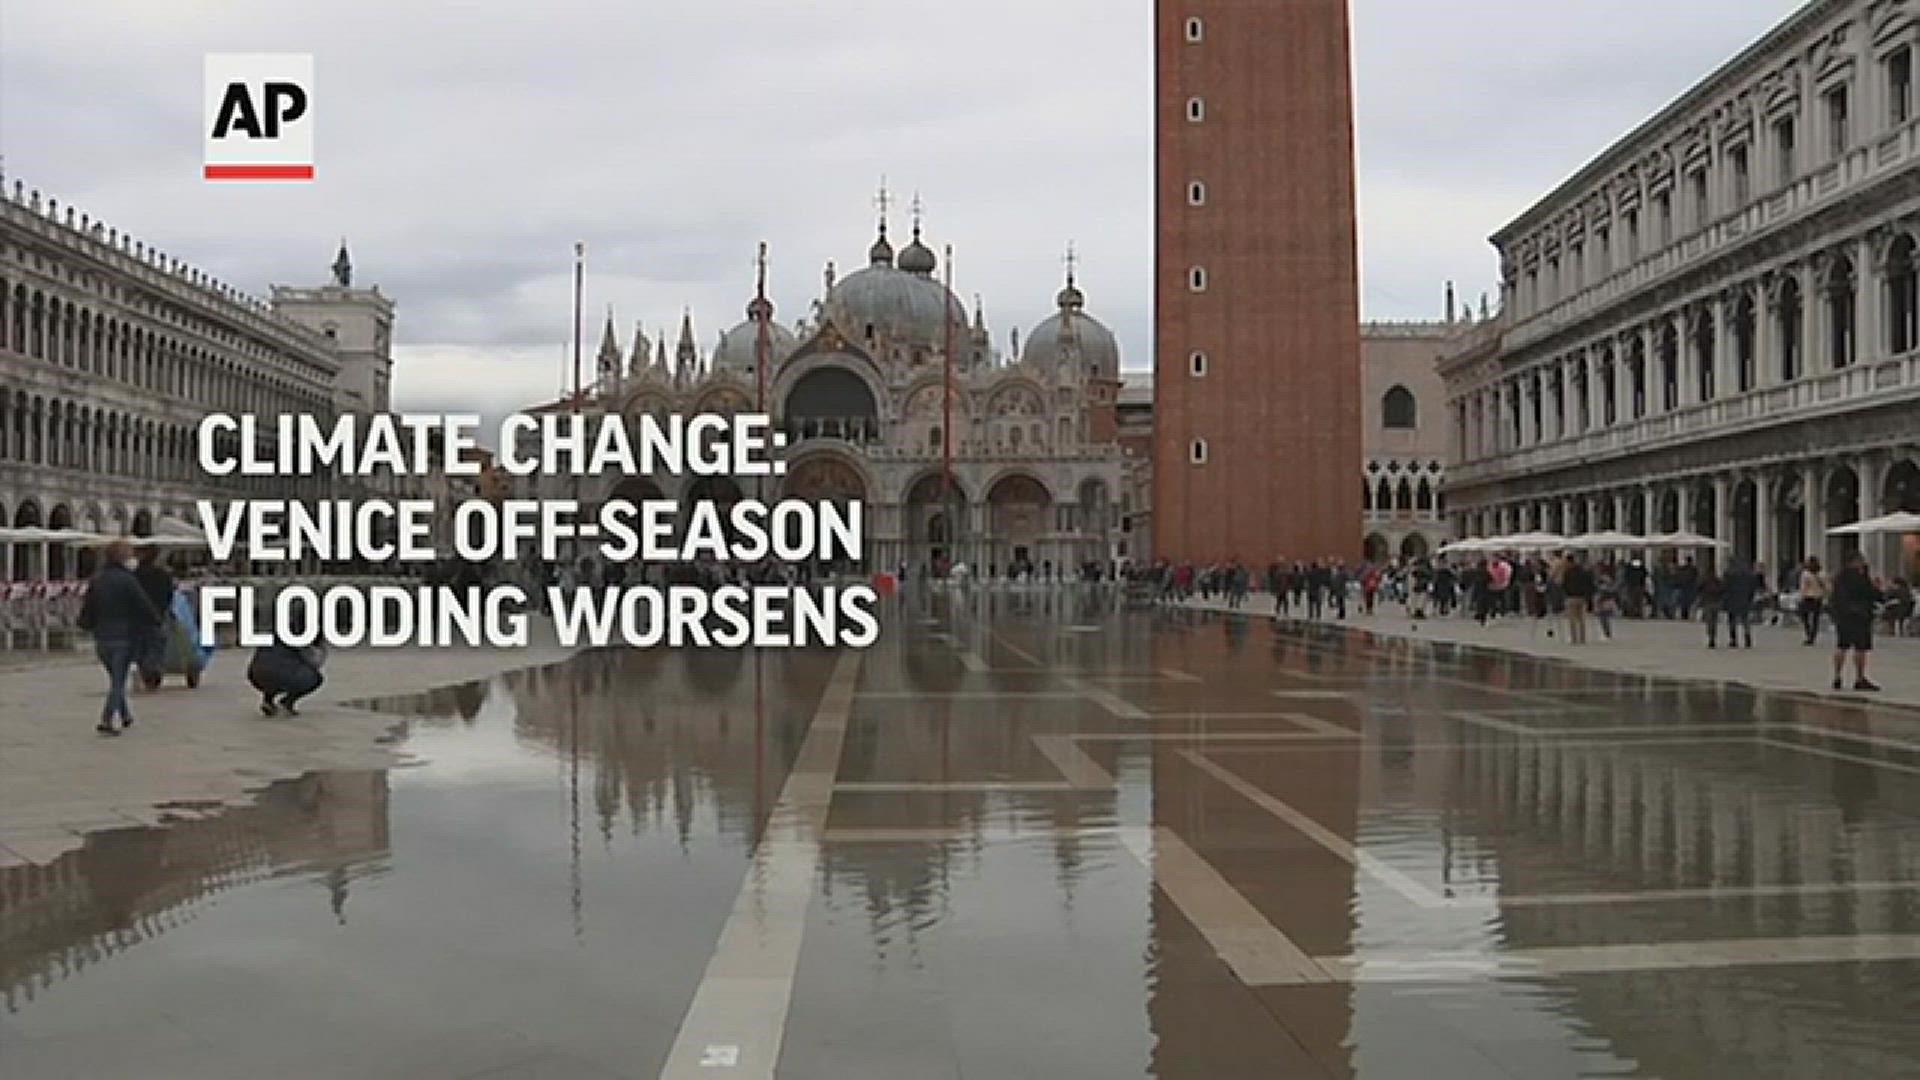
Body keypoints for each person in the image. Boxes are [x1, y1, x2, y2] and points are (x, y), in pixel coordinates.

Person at [75, 539, 163, 735]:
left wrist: (85, 624)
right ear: (123, 557)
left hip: (102, 637)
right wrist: (155, 621)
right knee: (118, 681)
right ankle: (107, 719)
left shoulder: (97, 580)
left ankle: (125, 715)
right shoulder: (127, 580)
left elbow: (88, 607)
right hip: (123, 637)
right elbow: (143, 604)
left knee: (116, 678)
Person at [247, 617, 328, 716]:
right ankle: (287, 702)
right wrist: (321, 648)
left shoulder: (275, 632)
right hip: (282, 675)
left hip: (255, 675)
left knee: (273, 671)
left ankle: (267, 701)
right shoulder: (305, 636)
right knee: (315, 678)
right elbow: (314, 662)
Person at [1828, 551, 1884, 692]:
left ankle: (1837, 676)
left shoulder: (1839, 577)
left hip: (1843, 616)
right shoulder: (1860, 577)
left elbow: (1836, 598)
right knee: (1860, 647)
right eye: (1861, 560)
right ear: (1854, 562)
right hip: (1860, 616)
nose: (1863, 563)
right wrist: (1877, 589)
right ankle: (1859, 678)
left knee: (1842, 645)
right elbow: (1872, 594)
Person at [132, 546, 176, 689]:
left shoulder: (134, 575)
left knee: (141, 645)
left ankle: (146, 670)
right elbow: (169, 593)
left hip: (137, 616)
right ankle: (152, 671)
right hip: (158, 614)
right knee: (156, 644)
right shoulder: (162, 574)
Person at [1722, 559, 1760, 648]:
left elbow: (1725, 587)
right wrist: (1750, 597)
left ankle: (1733, 639)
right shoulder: (1749, 575)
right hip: (1745, 599)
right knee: (1745, 619)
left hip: (1732, 599)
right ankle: (1747, 638)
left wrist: (1725, 599)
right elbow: (1753, 587)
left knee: (1732, 620)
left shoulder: (1729, 574)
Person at [1562, 553, 1596, 645]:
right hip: (1582, 597)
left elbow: (1564, 584)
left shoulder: (1568, 572)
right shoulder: (1584, 571)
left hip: (1571, 596)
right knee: (1581, 618)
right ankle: (1582, 638)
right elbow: (1589, 584)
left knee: (1572, 619)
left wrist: (1566, 593)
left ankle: (1574, 638)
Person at [1798, 556, 1829, 645]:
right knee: (1815, 618)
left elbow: (1803, 587)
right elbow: (1827, 587)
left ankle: (1809, 635)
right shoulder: (1822, 573)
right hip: (1817, 597)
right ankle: (1812, 636)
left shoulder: (1805, 574)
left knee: (1805, 617)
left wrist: (1801, 596)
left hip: (1808, 597)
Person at [1698, 568, 1726, 648]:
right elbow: (1723, 591)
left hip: (1708, 603)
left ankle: (1711, 636)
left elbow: (1699, 589)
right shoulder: (1718, 582)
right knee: (1714, 621)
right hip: (1716, 603)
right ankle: (1712, 636)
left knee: (1709, 621)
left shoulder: (1704, 581)